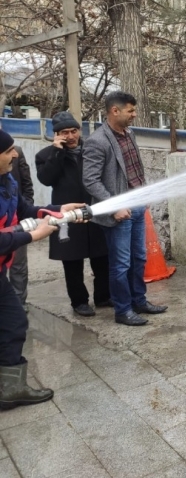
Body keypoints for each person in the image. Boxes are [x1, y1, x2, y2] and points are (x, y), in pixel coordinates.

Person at [0, 129, 87, 409]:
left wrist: (58, 209)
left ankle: (10, 388)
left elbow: (25, 208)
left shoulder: (7, 181)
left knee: (14, 323)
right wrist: (32, 236)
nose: (14, 154)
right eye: (8, 151)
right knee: (12, 323)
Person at [82, 92, 167, 326]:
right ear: (115, 111)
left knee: (139, 258)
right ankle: (123, 310)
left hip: (137, 206)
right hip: (119, 213)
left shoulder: (130, 134)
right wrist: (115, 207)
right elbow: (90, 181)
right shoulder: (97, 141)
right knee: (121, 264)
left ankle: (139, 300)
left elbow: (135, 169)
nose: (134, 114)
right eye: (130, 110)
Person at [36, 112, 111, 317]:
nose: (70, 136)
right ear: (56, 135)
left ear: (79, 131)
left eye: (73, 131)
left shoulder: (91, 150)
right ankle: (79, 302)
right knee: (72, 260)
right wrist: (56, 152)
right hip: (66, 214)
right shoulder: (45, 155)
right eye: (64, 133)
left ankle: (103, 296)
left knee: (102, 256)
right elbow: (46, 179)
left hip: (94, 209)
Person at [9, 145, 34, 311]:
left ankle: (19, 303)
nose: (13, 154)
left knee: (18, 264)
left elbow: (26, 184)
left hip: (17, 219)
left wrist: (27, 210)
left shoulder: (15, 151)